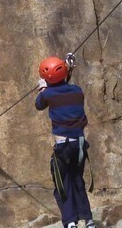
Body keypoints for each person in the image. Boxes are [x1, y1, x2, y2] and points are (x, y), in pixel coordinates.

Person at [35, 54, 95, 228]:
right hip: (80, 144)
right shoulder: (77, 91)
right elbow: (63, 88)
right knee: (77, 180)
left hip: (63, 146)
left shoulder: (47, 94)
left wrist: (42, 88)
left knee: (62, 184)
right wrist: (68, 69)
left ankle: (70, 222)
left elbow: (39, 105)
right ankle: (88, 219)